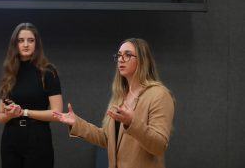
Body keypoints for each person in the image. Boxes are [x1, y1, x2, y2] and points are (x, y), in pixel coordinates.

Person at [53, 38, 175, 168]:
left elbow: (159, 146)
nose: (121, 59)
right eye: (119, 55)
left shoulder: (159, 95)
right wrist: (77, 123)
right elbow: (108, 139)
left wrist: (132, 123)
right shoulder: (120, 96)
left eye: (128, 55)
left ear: (142, 60)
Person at [0, 22, 63, 168]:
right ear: (15, 44)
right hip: (11, 138)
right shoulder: (9, 72)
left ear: (37, 44)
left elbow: (57, 113)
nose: (25, 44)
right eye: (21, 40)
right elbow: (0, 117)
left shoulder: (48, 71)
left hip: (38, 137)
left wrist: (24, 112)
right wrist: (11, 115)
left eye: (30, 40)